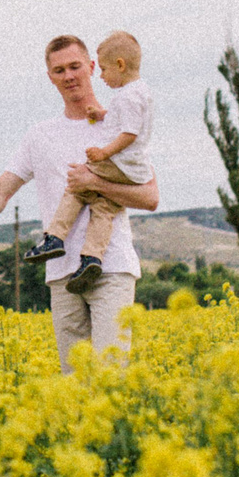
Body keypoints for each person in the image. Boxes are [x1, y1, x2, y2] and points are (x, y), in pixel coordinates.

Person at [0, 34, 159, 371]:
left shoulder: (118, 126)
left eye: (76, 66)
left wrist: (94, 182)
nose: (69, 76)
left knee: (110, 378)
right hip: (61, 274)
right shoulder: (39, 135)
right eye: (59, 70)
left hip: (112, 268)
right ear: (50, 77)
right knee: (73, 383)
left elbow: (150, 197)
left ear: (92, 67)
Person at [25, 30, 153, 290]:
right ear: (50, 76)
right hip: (131, 171)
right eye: (60, 70)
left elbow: (128, 133)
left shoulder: (127, 95)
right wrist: (103, 113)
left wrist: (103, 156)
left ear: (120, 65)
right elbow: (126, 121)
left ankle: (55, 236)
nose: (103, 77)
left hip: (118, 164)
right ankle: (92, 258)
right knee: (104, 209)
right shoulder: (140, 94)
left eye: (104, 70)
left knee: (77, 184)